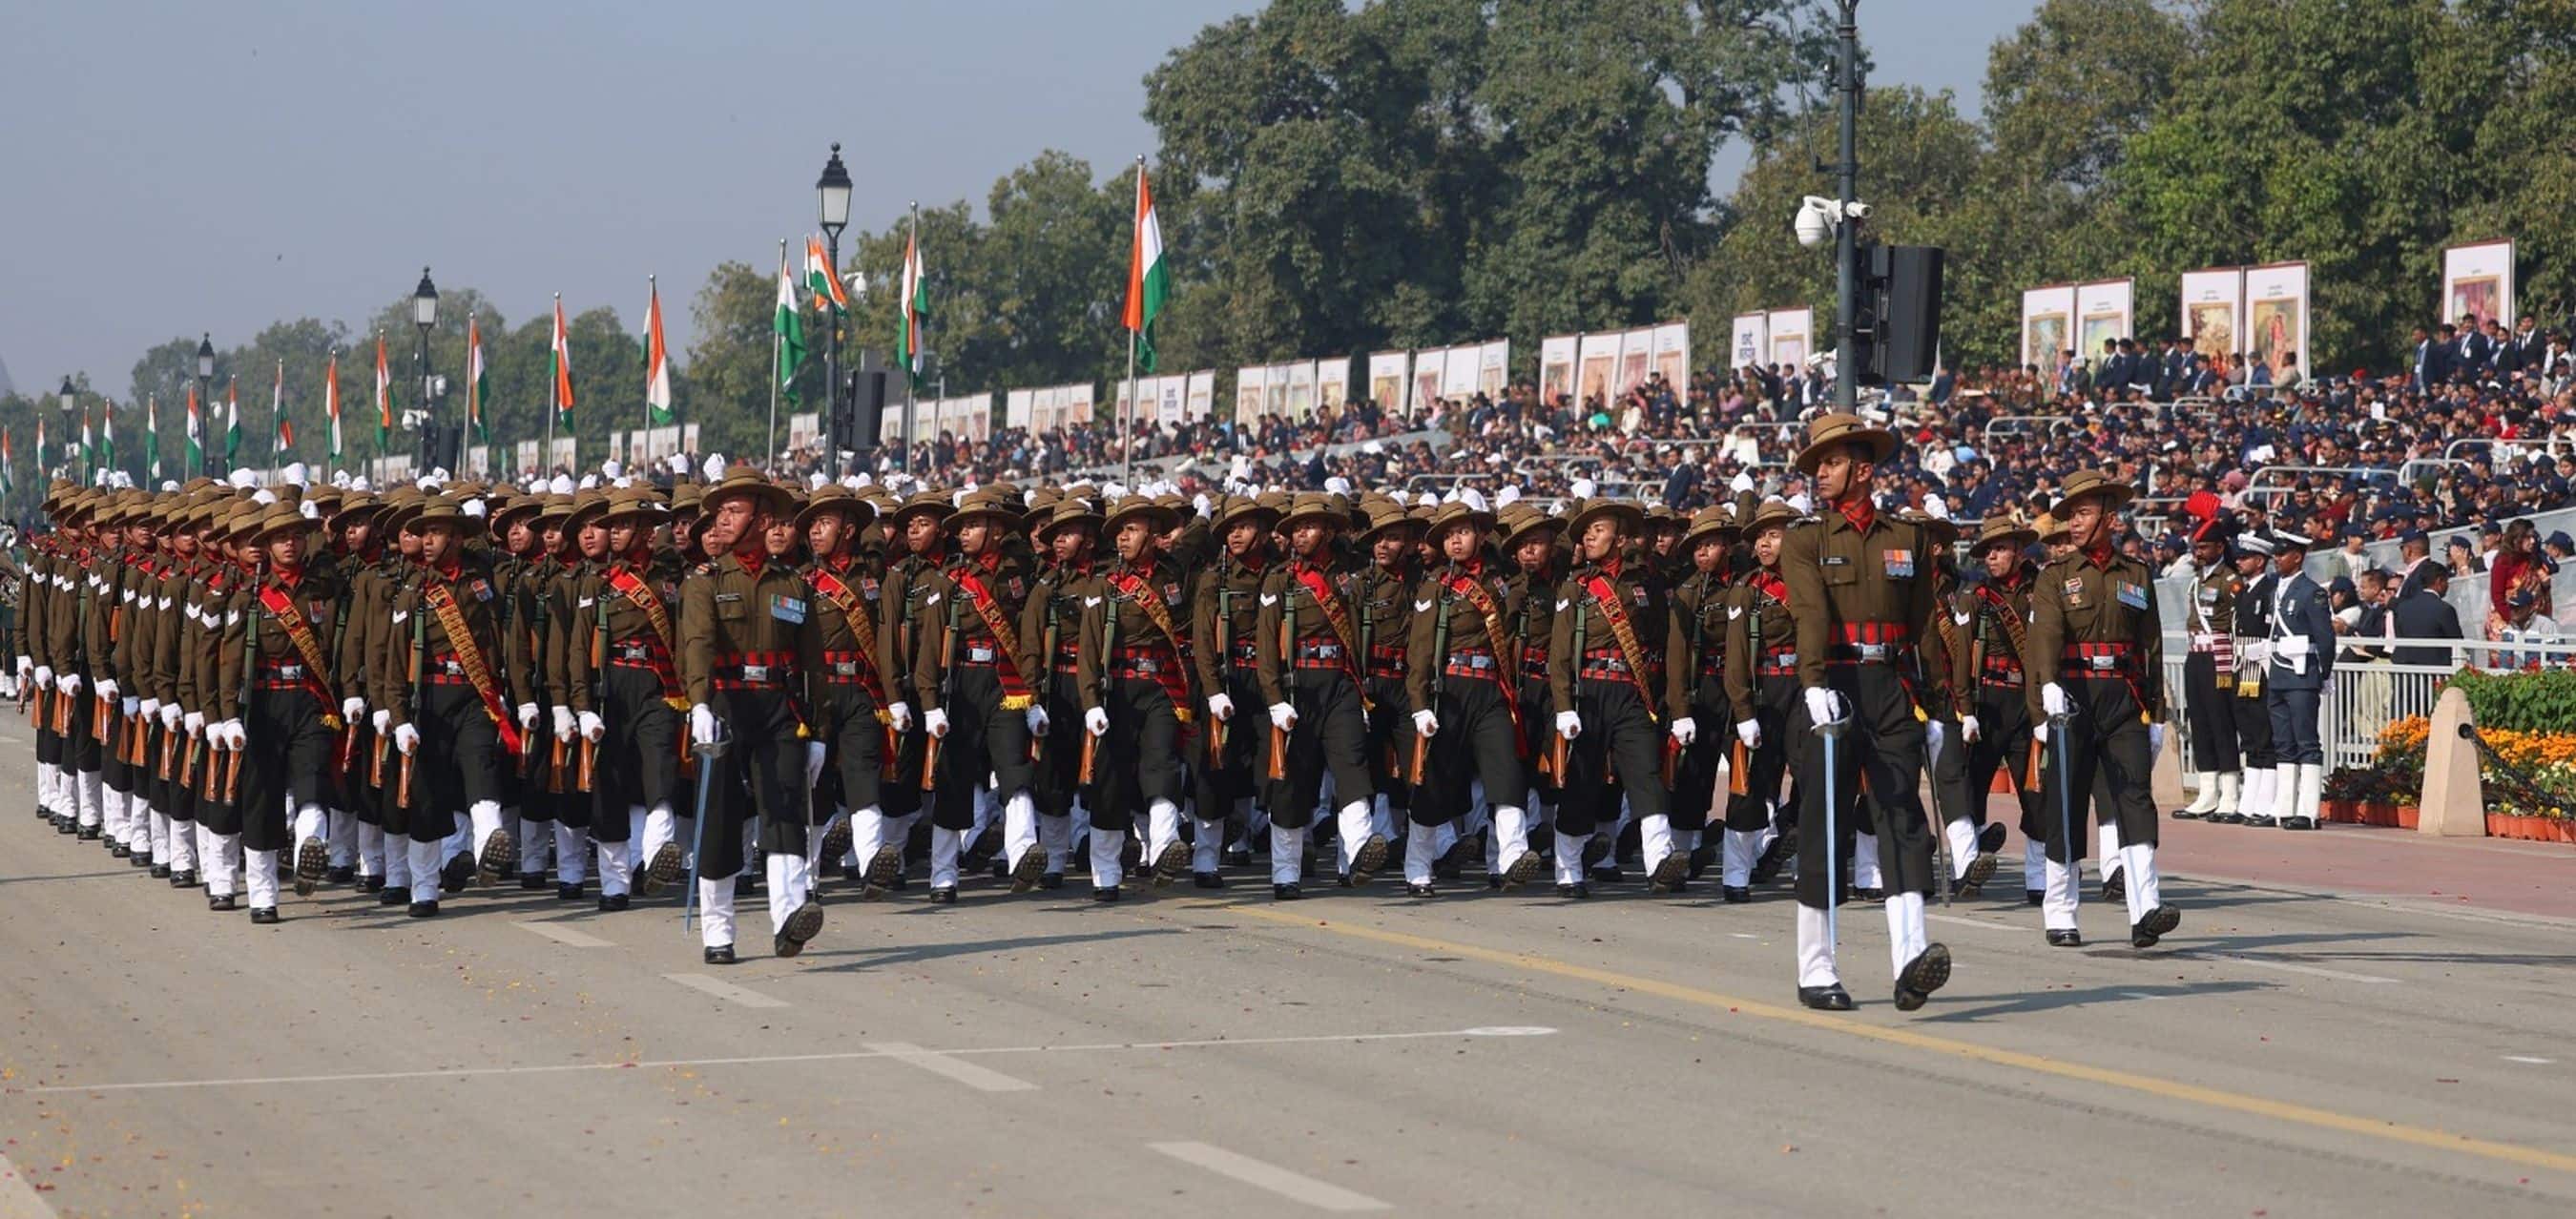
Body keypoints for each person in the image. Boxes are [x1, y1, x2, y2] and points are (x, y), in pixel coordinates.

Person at [1776, 413, 1951, 1013]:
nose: (1820, 473)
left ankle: (1911, 962)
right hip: (1833, 685)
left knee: (1902, 815)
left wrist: (1940, 705)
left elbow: (1927, 624)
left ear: (1864, 469)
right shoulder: (1806, 538)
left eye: (1831, 462)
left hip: (1892, 686)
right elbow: (1809, 614)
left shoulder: (1909, 537)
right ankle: (1817, 968)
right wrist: (1813, 681)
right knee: (1825, 822)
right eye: (1817, 465)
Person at [678, 466, 829, 962]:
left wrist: (820, 730)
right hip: (724, 705)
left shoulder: (793, 584)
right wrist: (699, 704)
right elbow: (697, 645)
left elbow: (812, 663)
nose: (720, 520)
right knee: (719, 819)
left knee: (785, 809)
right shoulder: (705, 582)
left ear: (763, 520)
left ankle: (788, 920)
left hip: (779, 709)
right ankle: (718, 931)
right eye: (718, 511)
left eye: (733, 511)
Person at [2026, 470, 2176, 950]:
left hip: (2124, 699)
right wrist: (2047, 688)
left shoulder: (2136, 575)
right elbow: (2044, 635)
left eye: (2085, 513)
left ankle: (2144, 908)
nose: (2074, 523)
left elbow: (2150, 645)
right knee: (2067, 805)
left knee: (2135, 797)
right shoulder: (2056, 577)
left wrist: (2157, 711)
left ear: (2109, 518)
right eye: (2071, 514)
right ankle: (2061, 909)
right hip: (2073, 696)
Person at [1548, 494, 1688, 899]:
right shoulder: (1575, 587)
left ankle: (1659, 861)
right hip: (1588, 693)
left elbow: (1662, 642)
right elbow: (1559, 657)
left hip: (1632, 692)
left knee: (1646, 773)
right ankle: (1568, 867)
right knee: (1583, 781)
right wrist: (1563, 707)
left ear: (1620, 536)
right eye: (1586, 532)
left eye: (1598, 529)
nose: (1590, 538)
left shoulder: (1646, 583)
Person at [910, 486, 1046, 899]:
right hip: (962, 684)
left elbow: (1028, 638)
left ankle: (1022, 852)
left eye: (973, 524)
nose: (964, 532)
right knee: (954, 778)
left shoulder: (1018, 573)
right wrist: (930, 704)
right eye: (962, 525)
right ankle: (943, 873)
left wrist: (1034, 699)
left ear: (996, 529)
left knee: (1015, 769)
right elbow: (930, 648)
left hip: (1007, 683)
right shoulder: (948, 580)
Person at [560, 487, 687, 911]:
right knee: (610, 786)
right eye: (611, 524)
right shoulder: (595, 581)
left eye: (625, 524)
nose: (614, 532)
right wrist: (581, 707)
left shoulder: (670, 580)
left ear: (647, 531)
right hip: (609, 688)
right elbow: (579, 649)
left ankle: (655, 856)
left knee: (660, 770)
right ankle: (615, 883)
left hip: (657, 685)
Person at [1254, 492, 1384, 898]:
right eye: (1296, 528)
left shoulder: (1353, 575)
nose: (1301, 535)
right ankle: (1285, 873)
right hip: (1297, 686)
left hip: (1340, 684)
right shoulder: (1281, 579)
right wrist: (1274, 699)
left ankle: (1361, 850)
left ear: (1328, 531)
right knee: (1293, 782)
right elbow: (1266, 646)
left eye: (1309, 526)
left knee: (1352, 766)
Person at [1077, 494, 1197, 899]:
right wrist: (1091, 701)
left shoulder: (1172, 577)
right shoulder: (1105, 584)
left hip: (1162, 689)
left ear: (1153, 533)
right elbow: (1090, 649)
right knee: (1111, 782)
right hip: (1118, 690)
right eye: (1120, 531)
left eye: (1133, 529)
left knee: (1162, 763)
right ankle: (1106, 872)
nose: (1124, 538)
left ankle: (1164, 847)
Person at [1403, 496, 1525, 898]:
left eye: (1464, 532)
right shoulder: (1435, 586)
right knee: (1434, 782)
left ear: (1481, 535)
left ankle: (1508, 860)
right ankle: (1417, 866)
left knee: (1505, 774)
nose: (1456, 541)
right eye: (1449, 534)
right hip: (1449, 691)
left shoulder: (1499, 581)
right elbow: (1419, 652)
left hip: (1490, 691)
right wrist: (1419, 704)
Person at [1189, 493, 1281, 889]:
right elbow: (1203, 641)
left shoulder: (1280, 575)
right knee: (1214, 771)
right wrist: (1212, 690)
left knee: (1275, 770)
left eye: (1243, 527)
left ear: (1262, 532)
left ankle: (1281, 853)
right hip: (1229, 681)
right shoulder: (1216, 578)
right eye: (1228, 530)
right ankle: (1205, 860)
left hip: (1269, 685)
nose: (1235, 536)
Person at [1951, 515, 2045, 901]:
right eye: (1988, 551)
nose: (1992, 557)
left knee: (2036, 791)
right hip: (1988, 701)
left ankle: (2039, 879)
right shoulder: (1975, 596)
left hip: (2028, 704)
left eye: (2000, 549)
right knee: (1972, 786)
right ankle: (1969, 866)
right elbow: (1961, 655)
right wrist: (1965, 708)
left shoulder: (2042, 590)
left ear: (2019, 551)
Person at [1719, 499, 1803, 903]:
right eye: (1759, 538)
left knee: (1815, 778)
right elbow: (1736, 659)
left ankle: (1801, 858)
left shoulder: (1812, 583)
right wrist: (1743, 712)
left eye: (1774, 534)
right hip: (1765, 691)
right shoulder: (1748, 590)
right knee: (1751, 784)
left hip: (1805, 690)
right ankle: (1736, 872)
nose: (1764, 544)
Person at [2257, 528, 2335, 831]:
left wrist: (2322, 674)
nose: (2276, 558)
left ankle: (2308, 810)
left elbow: (2325, 638)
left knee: (2306, 742)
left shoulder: (2311, 591)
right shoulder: (2276, 589)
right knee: (2283, 743)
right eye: (2276, 553)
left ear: (2298, 556)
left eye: (2282, 553)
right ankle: (2284, 807)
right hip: (2278, 673)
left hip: (2302, 676)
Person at [2171, 511, 2245, 823]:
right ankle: (2207, 792)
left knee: (2221, 722)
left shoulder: (2230, 580)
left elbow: (2237, 624)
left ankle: (2230, 794)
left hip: (2219, 656)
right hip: (2196, 655)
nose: (2197, 552)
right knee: (2199, 721)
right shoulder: (2198, 579)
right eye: (2196, 546)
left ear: (2219, 547)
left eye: (2203, 547)